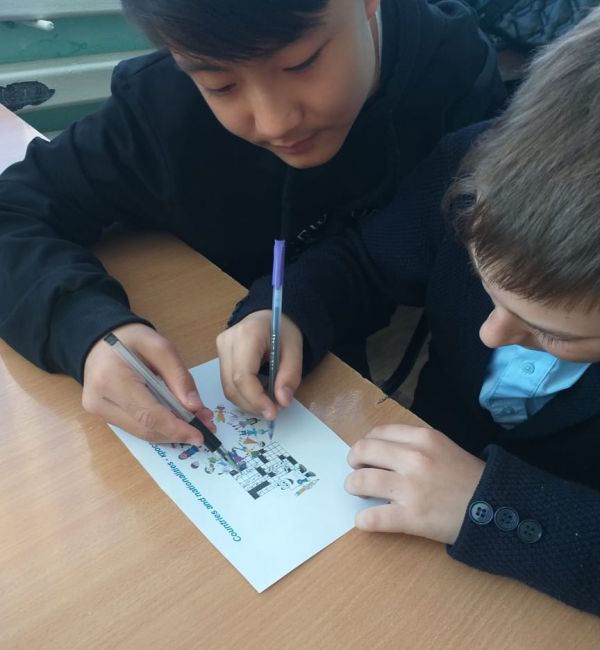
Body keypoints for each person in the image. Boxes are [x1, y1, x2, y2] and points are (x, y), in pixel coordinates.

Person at [218, 7, 600, 615]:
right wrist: (284, 313)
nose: (490, 334)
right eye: (485, 286)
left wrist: (491, 505)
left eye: (552, 333)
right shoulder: (471, 160)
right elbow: (364, 261)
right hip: (410, 522)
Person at [0, 0, 504, 448]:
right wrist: (84, 328)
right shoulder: (160, 106)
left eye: (301, 62)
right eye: (220, 86)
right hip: (239, 363)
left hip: (364, 374)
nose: (274, 122)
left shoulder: (457, 72)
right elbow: (15, 209)